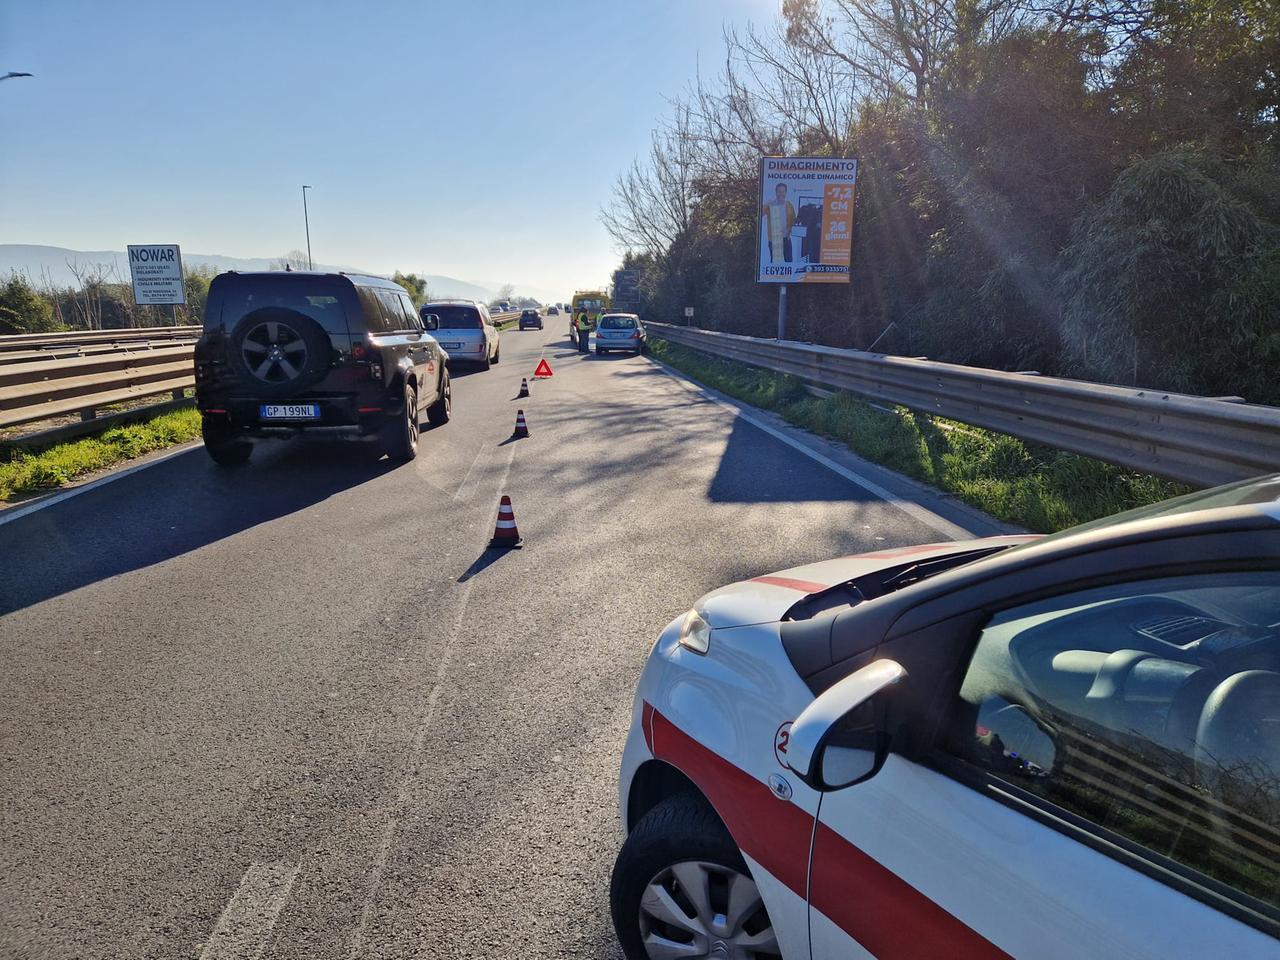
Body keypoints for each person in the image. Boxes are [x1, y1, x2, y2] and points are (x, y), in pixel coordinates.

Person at [761, 182, 796, 264]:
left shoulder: (789, 205)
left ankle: (788, 277)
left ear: (786, 192)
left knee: (789, 264)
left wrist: (788, 230)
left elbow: (793, 221)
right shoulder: (771, 205)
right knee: (775, 264)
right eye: (779, 191)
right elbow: (760, 214)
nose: (781, 194)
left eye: (783, 191)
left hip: (786, 239)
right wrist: (766, 204)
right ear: (776, 192)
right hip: (774, 240)